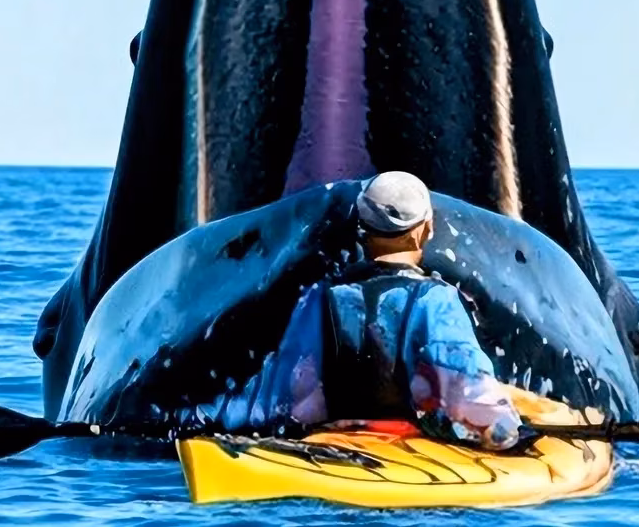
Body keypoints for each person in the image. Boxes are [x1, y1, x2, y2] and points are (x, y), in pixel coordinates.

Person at [214, 172, 523, 450]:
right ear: (425, 230)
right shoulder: (436, 300)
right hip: (407, 451)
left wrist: (214, 419)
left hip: (333, 442)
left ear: (362, 228)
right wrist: (506, 428)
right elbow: (467, 388)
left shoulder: (321, 295)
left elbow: (288, 387)